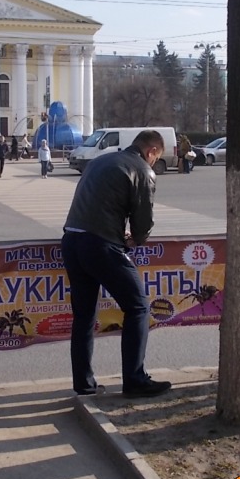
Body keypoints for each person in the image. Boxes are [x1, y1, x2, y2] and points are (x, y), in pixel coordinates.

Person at [61, 129, 171, 398]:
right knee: (138, 307)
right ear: (151, 151)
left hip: (72, 240)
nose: (154, 163)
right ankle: (135, 380)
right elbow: (142, 221)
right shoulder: (143, 170)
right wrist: (137, 239)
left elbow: (97, 204)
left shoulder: (101, 160)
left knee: (85, 316)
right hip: (100, 246)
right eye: (156, 158)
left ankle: (84, 385)